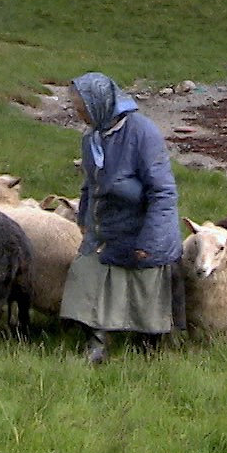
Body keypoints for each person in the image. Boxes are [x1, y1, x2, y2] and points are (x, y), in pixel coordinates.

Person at [57, 71, 185, 363]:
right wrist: (84, 217)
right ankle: (96, 345)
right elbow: (90, 182)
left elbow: (163, 192)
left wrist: (151, 240)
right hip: (107, 228)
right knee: (86, 277)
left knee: (145, 292)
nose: (80, 115)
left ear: (100, 103)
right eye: (77, 109)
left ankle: (148, 349)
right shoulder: (93, 138)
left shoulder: (142, 133)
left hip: (142, 227)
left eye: (83, 109)